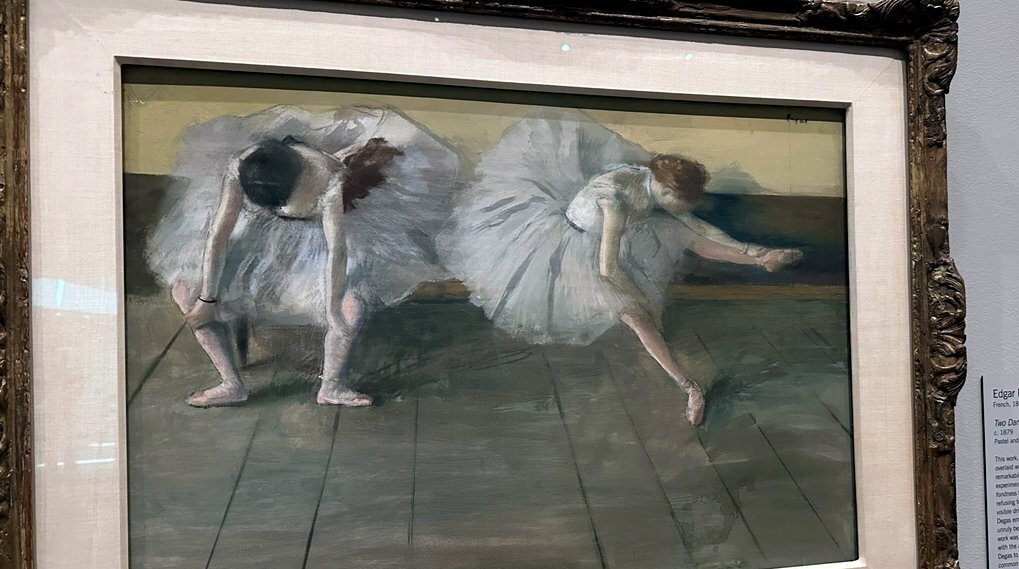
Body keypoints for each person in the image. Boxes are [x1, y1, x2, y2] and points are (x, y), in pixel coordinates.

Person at [440, 110, 803, 425]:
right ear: (667, 192)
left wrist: (751, 248)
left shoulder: (652, 182)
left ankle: (762, 260)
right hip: (578, 251)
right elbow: (607, 269)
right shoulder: (614, 199)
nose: (684, 207)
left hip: (620, 235)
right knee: (635, 316)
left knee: (683, 233)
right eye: (682, 202)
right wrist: (640, 299)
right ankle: (689, 387)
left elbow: (696, 225)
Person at [146, 106, 460, 407]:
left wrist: (331, 308)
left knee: (350, 306)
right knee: (186, 291)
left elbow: (336, 249)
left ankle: (331, 386)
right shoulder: (241, 165)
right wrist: (208, 299)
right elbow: (219, 236)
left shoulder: (326, 175)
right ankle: (231, 383)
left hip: (316, 243)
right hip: (259, 237)